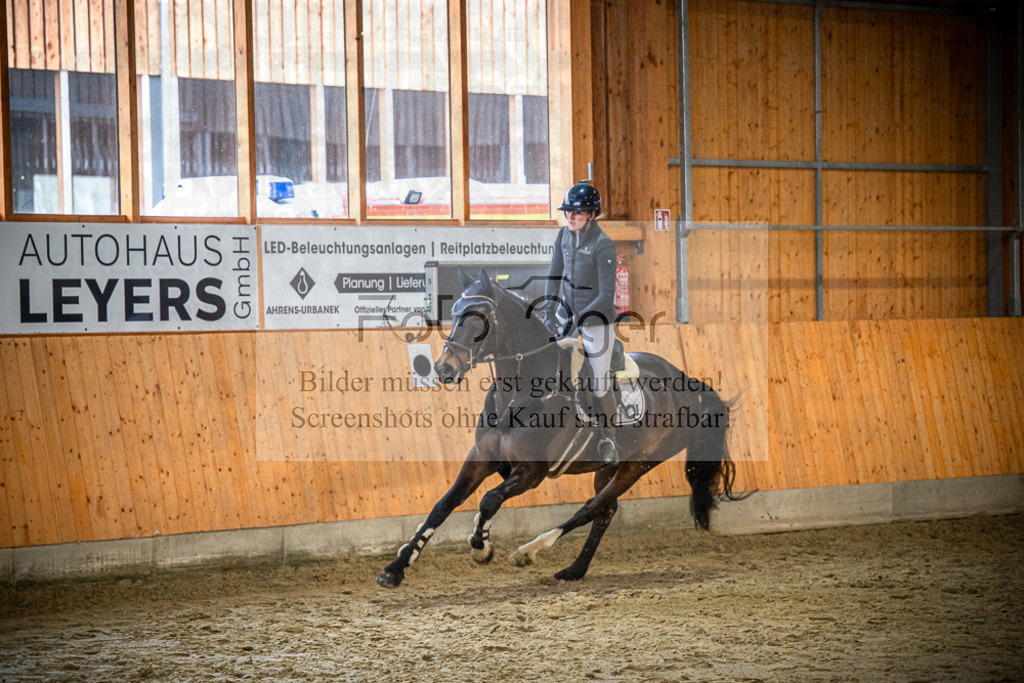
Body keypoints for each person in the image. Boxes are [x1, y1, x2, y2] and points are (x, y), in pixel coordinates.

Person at [542, 182, 620, 466]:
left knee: (599, 381)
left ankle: (609, 438)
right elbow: (554, 275)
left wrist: (579, 318)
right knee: (544, 358)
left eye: (577, 212)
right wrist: (548, 309)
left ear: (592, 214)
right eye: (567, 212)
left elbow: (606, 296)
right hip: (568, 312)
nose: (570, 217)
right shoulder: (564, 235)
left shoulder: (603, 245)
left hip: (597, 319)